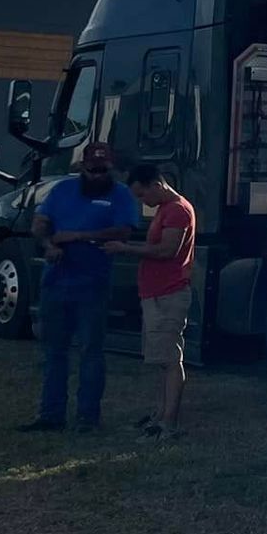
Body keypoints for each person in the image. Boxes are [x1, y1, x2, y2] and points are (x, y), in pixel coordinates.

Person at [20, 141, 139, 432]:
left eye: (103, 170)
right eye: (93, 169)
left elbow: (123, 230)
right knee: (54, 351)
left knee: (90, 351)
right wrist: (49, 245)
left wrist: (77, 236)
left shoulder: (121, 195)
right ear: (83, 167)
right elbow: (40, 223)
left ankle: (88, 417)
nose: (98, 175)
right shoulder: (62, 190)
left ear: (111, 168)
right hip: (56, 281)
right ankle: (51, 414)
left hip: (93, 284)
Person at [105, 164, 197, 440]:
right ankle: (160, 413)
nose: (142, 201)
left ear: (157, 185)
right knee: (161, 359)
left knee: (170, 359)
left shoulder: (178, 211)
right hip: (155, 293)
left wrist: (126, 249)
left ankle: (169, 422)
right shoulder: (164, 210)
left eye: (143, 194)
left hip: (168, 294)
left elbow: (167, 250)